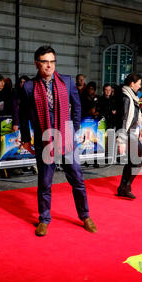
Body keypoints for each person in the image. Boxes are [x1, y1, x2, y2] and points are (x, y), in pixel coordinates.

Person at [19, 45, 97, 237]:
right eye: (45, 62)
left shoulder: (67, 81)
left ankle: (85, 216)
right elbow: (22, 115)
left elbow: (77, 106)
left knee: (77, 179)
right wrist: (26, 139)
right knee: (45, 182)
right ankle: (44, 219)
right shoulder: (29, 87)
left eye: (52, 61)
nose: (49, 66)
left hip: (67, 136)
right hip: (44, 138)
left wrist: (75, 128)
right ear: (37, 63)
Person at [116, 73, 142, 199]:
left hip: (132, 132)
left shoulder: (132, 96)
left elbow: (134, 115)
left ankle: (124, 187)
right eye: (138, 83)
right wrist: (121, 140)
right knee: (138, 161)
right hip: (127, 133)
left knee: (133, 161)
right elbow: (123, 119)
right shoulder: (126, 98)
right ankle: (125, 187)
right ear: (132, 84)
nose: (140, 86)